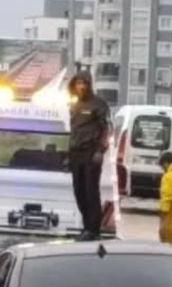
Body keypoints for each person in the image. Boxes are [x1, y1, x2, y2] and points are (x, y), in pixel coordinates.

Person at [67, 71, 111, 242]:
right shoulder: (74, 104)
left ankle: (93, 230)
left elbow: (107, 130)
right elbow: (74, 132)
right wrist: (68, 154)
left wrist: (100, 151)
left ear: (89, 85)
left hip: (91, 154)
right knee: (79, 192)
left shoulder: (99, 104)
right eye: (78, 83)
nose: (81, 87)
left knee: (91, 192)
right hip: (76, 154)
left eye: (84, 83)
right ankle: (86, 227)